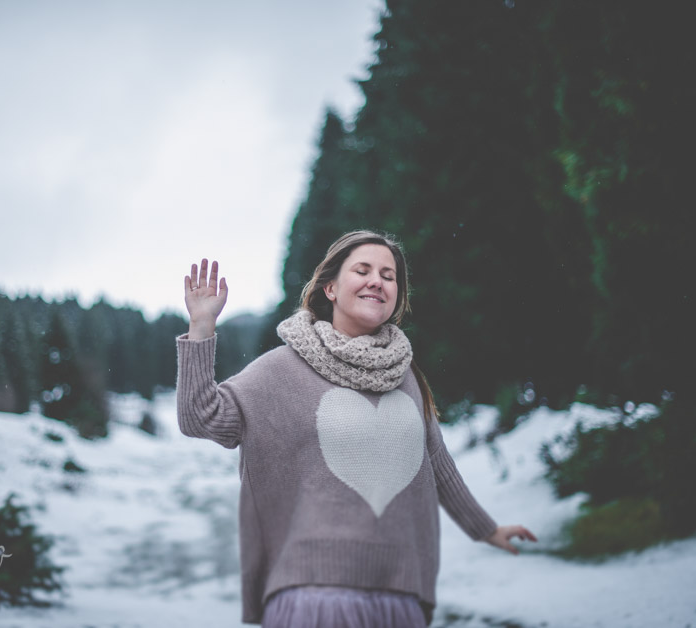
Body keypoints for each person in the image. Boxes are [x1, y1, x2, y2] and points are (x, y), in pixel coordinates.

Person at [176, 230, 536, 627]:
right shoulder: (280, 369)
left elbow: (438, 465)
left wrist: (487, 530)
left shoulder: (405, 376)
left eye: (388, 275)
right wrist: (202, 326)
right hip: (310, 594)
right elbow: (199, 416)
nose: (377, 281)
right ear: (330, 287)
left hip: (398, 596)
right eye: (362, 270)